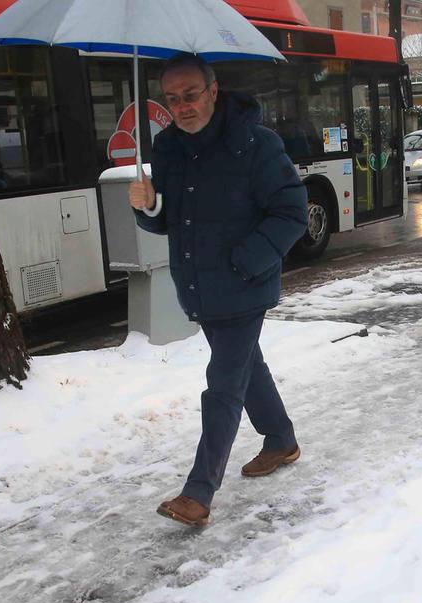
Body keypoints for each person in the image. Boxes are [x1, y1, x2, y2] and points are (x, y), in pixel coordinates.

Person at [128, 53, 309, 528]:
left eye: (190, 95)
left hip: (243, 284)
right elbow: (169, 220)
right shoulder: (167, 148)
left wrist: (246, 262)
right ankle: (280, 438)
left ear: (212, 91)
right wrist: (147, 207)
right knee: (247, 363)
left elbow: (292, 212)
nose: (182, 106)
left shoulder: (256, 144)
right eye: (172, 99)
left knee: (224, 384)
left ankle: (199, 491)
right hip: (198, 284)